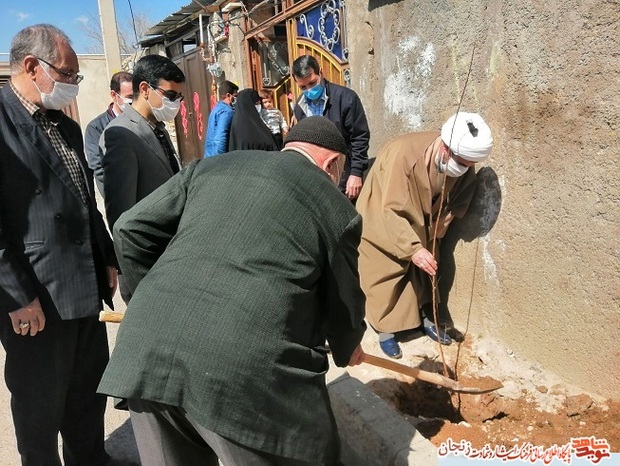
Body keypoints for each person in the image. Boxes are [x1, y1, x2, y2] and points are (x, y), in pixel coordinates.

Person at [98, 116, 367, 465]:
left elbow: (129, 228)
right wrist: (349, 345)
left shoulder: (212, 166)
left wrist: (151, 299)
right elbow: (344, 302)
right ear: (331, 164)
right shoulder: (334, 207)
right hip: (239, 374)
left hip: (145, 351)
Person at [0, 24, 118, 464]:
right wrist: (17, 296)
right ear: (33, 66)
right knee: (39, 405)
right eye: (67, 73)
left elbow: (85, 200)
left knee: (87, 393)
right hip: (37, 295)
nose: (73, 83)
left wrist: (105, 257)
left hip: (83, 285)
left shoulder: (63, 125)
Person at [356, 112, 493, 359]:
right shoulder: (403, 156)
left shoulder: (464, 163)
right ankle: (385, 329)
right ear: (446, 148)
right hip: (383, 213)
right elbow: (389, 210)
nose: (464, 169)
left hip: (423, 220)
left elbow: (459, 199)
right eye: (460, 163)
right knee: (385, 268)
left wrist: (437, 231)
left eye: (467, 165)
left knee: (426, 268)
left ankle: (426, 317)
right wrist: (412, 248)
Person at [100, 54, 184, 302]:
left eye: (179, 97)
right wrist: (138, 273)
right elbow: (121, 216)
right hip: (148, 266)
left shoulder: (157, 128)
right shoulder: (122, 133)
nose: (176, 103)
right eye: (171, 95)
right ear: (145, 89)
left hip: (170, 255)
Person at [292, 55, 370, 200]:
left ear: (321, 73)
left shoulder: (346, 98)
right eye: (303, 87)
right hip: (317, 180)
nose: (309, 90)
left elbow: (359, 137)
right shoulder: (300, 107)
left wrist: (356, 173)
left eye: (312, 83)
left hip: (344, 178)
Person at [84, 70, 133, 195]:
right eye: (129, 97)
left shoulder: (140, 120)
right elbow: (99, 169)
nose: (133, 101)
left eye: (135, 96)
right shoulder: (96, 128)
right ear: (114, 95)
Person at [204, 80, 238, 157]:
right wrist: (220, 159)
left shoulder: (217, 108)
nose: (236, 99)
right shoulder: (226, 111)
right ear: (228, 95)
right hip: (216, 157)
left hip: (210, 154)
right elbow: (220, 137)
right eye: (235, 96)